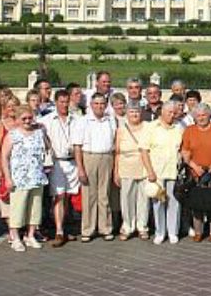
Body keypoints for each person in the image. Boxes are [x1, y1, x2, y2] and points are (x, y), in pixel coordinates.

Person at [1, 105, 50, 252]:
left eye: (30, 118)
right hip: (19, 177)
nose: (27, 121)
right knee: (18, 207)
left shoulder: (38, 132)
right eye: (24, 119)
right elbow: (4, 157)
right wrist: (8, 178)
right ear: (17, 120)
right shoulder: (12, 135)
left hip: (36, 175)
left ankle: (30, 235)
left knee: (35, 207)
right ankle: (15, 236)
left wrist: (43, 131)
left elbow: (47, 147)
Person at [40, 89, 83, 247]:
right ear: (56, 102)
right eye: (61, 102)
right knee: (58, 195)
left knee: (67, 196)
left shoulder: (77, 119)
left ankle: (64, 227)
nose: (64, 105)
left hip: (73, 161)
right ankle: (59, 231)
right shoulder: (46, 120)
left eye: (66, 102)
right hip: (57, 162)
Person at [181, 104, 211, 241]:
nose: (201, 118)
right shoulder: (189, 130)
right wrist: (194, 166)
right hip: (197, 171)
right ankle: (198, 231)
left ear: (209, 115)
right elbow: (184, 151)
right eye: (198, 115)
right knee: (197, 201)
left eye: (204, 115)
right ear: (194, 117)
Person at [74, 92, 117, 242]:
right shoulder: (83, 121)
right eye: (96, 104)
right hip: (89, 157)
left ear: (106, 105)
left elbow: (114, 142)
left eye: (102, 104)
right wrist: (80, 168)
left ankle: (105, 227)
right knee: (89, 195)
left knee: (104, 194)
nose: (99, 106)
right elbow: (77, 146)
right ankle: (88, 229)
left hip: (107, 157)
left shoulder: (111, 120)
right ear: (91, 105)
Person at [140, 102, 184, 244]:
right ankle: (160, 231)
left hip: (173, 170)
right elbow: (144, 151)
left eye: (174, 113)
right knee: (158, 202)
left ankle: (173, 231)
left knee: (174, 201)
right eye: (170, 113)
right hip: (157, 172)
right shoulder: (151, 127)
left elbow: (182, 148)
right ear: (162, 112)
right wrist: (150, 171)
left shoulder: (179, 127)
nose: (172, 115)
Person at [114, 102, 151, 240]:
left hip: (143, 165)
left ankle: (142, 226)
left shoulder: (148, 127)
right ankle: (128, 226)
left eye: (137, 112)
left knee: (143, 198)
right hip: (126, 165)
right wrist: (116, 171)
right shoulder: (121, 129)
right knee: (127, 198)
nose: (134, 115)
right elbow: (117, 152)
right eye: (131, 112)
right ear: (127, 113)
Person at [0, 94, 20, 235]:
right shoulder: (1, 124)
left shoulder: (21, 122)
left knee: (18, 196)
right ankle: (11, 229)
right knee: (6, 197)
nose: (11, 108)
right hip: (5, 165)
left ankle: (18, 225)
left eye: (14, 105)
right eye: (9, 106)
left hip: (19, 165)